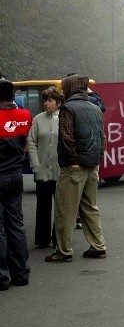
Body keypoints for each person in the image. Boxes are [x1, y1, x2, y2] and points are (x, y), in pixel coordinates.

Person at [45, 74, 107, 262]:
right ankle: (98, 246)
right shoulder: (95, 108)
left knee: (65, 209)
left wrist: (72, 160)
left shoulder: (68, 108)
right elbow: (101, 136)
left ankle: (63, 251)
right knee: (90, 208)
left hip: (75, 167)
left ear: (70, 88)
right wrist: (98, 157)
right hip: (92, 164)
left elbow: (67, 137)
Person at [0, 80, 32, 291]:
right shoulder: (25, 116)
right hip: (15, 175)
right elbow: (25, 143)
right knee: (16, 223)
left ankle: (2, 277)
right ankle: (20, 273)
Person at [28, 86, 64, 249]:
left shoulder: (65, 118)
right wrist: (36, 165)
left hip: (60, 170)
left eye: (50, 100)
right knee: (42, 206)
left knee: (60, 206)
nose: (46, 104)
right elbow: (31, 142)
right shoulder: (38, 119)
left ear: (58, 102)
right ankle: (42, 239)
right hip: (42, 168)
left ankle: (59, 238)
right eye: (45, 100)